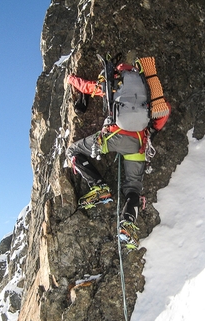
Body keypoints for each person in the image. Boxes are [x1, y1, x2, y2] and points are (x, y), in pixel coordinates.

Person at [66, 59, 170, 229]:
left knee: (72, 151)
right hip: (139, 141)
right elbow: (165, 109)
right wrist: (152, 131)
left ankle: (99, 187)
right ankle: (128, 225)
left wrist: (71, 79)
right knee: (133, 187)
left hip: (114, 135)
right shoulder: (147, 87)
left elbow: (87, 87)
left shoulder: (113, 83)